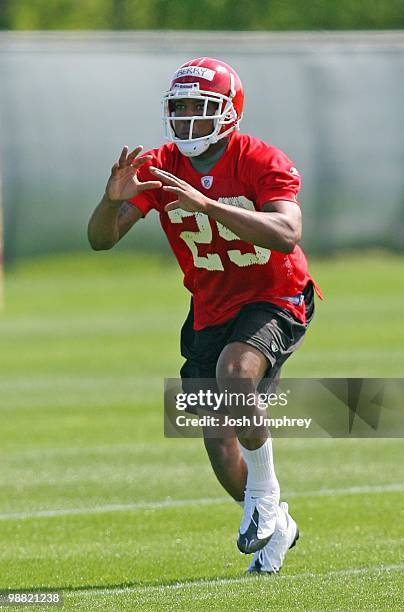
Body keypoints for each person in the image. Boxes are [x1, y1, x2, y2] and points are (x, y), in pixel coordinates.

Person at [88, 57, 320, 574]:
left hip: (274, 293)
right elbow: (101, 240)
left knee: (235, 374)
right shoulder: (158, 165)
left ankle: (265, 492)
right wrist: (110, 201)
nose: (189, 117)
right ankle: (276, 522)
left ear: (229, 112)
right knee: (218, 438)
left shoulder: (260, 159)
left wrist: (209, 205)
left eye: (201, 106)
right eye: (181, 107)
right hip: (210, 305)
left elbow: (287, 233)